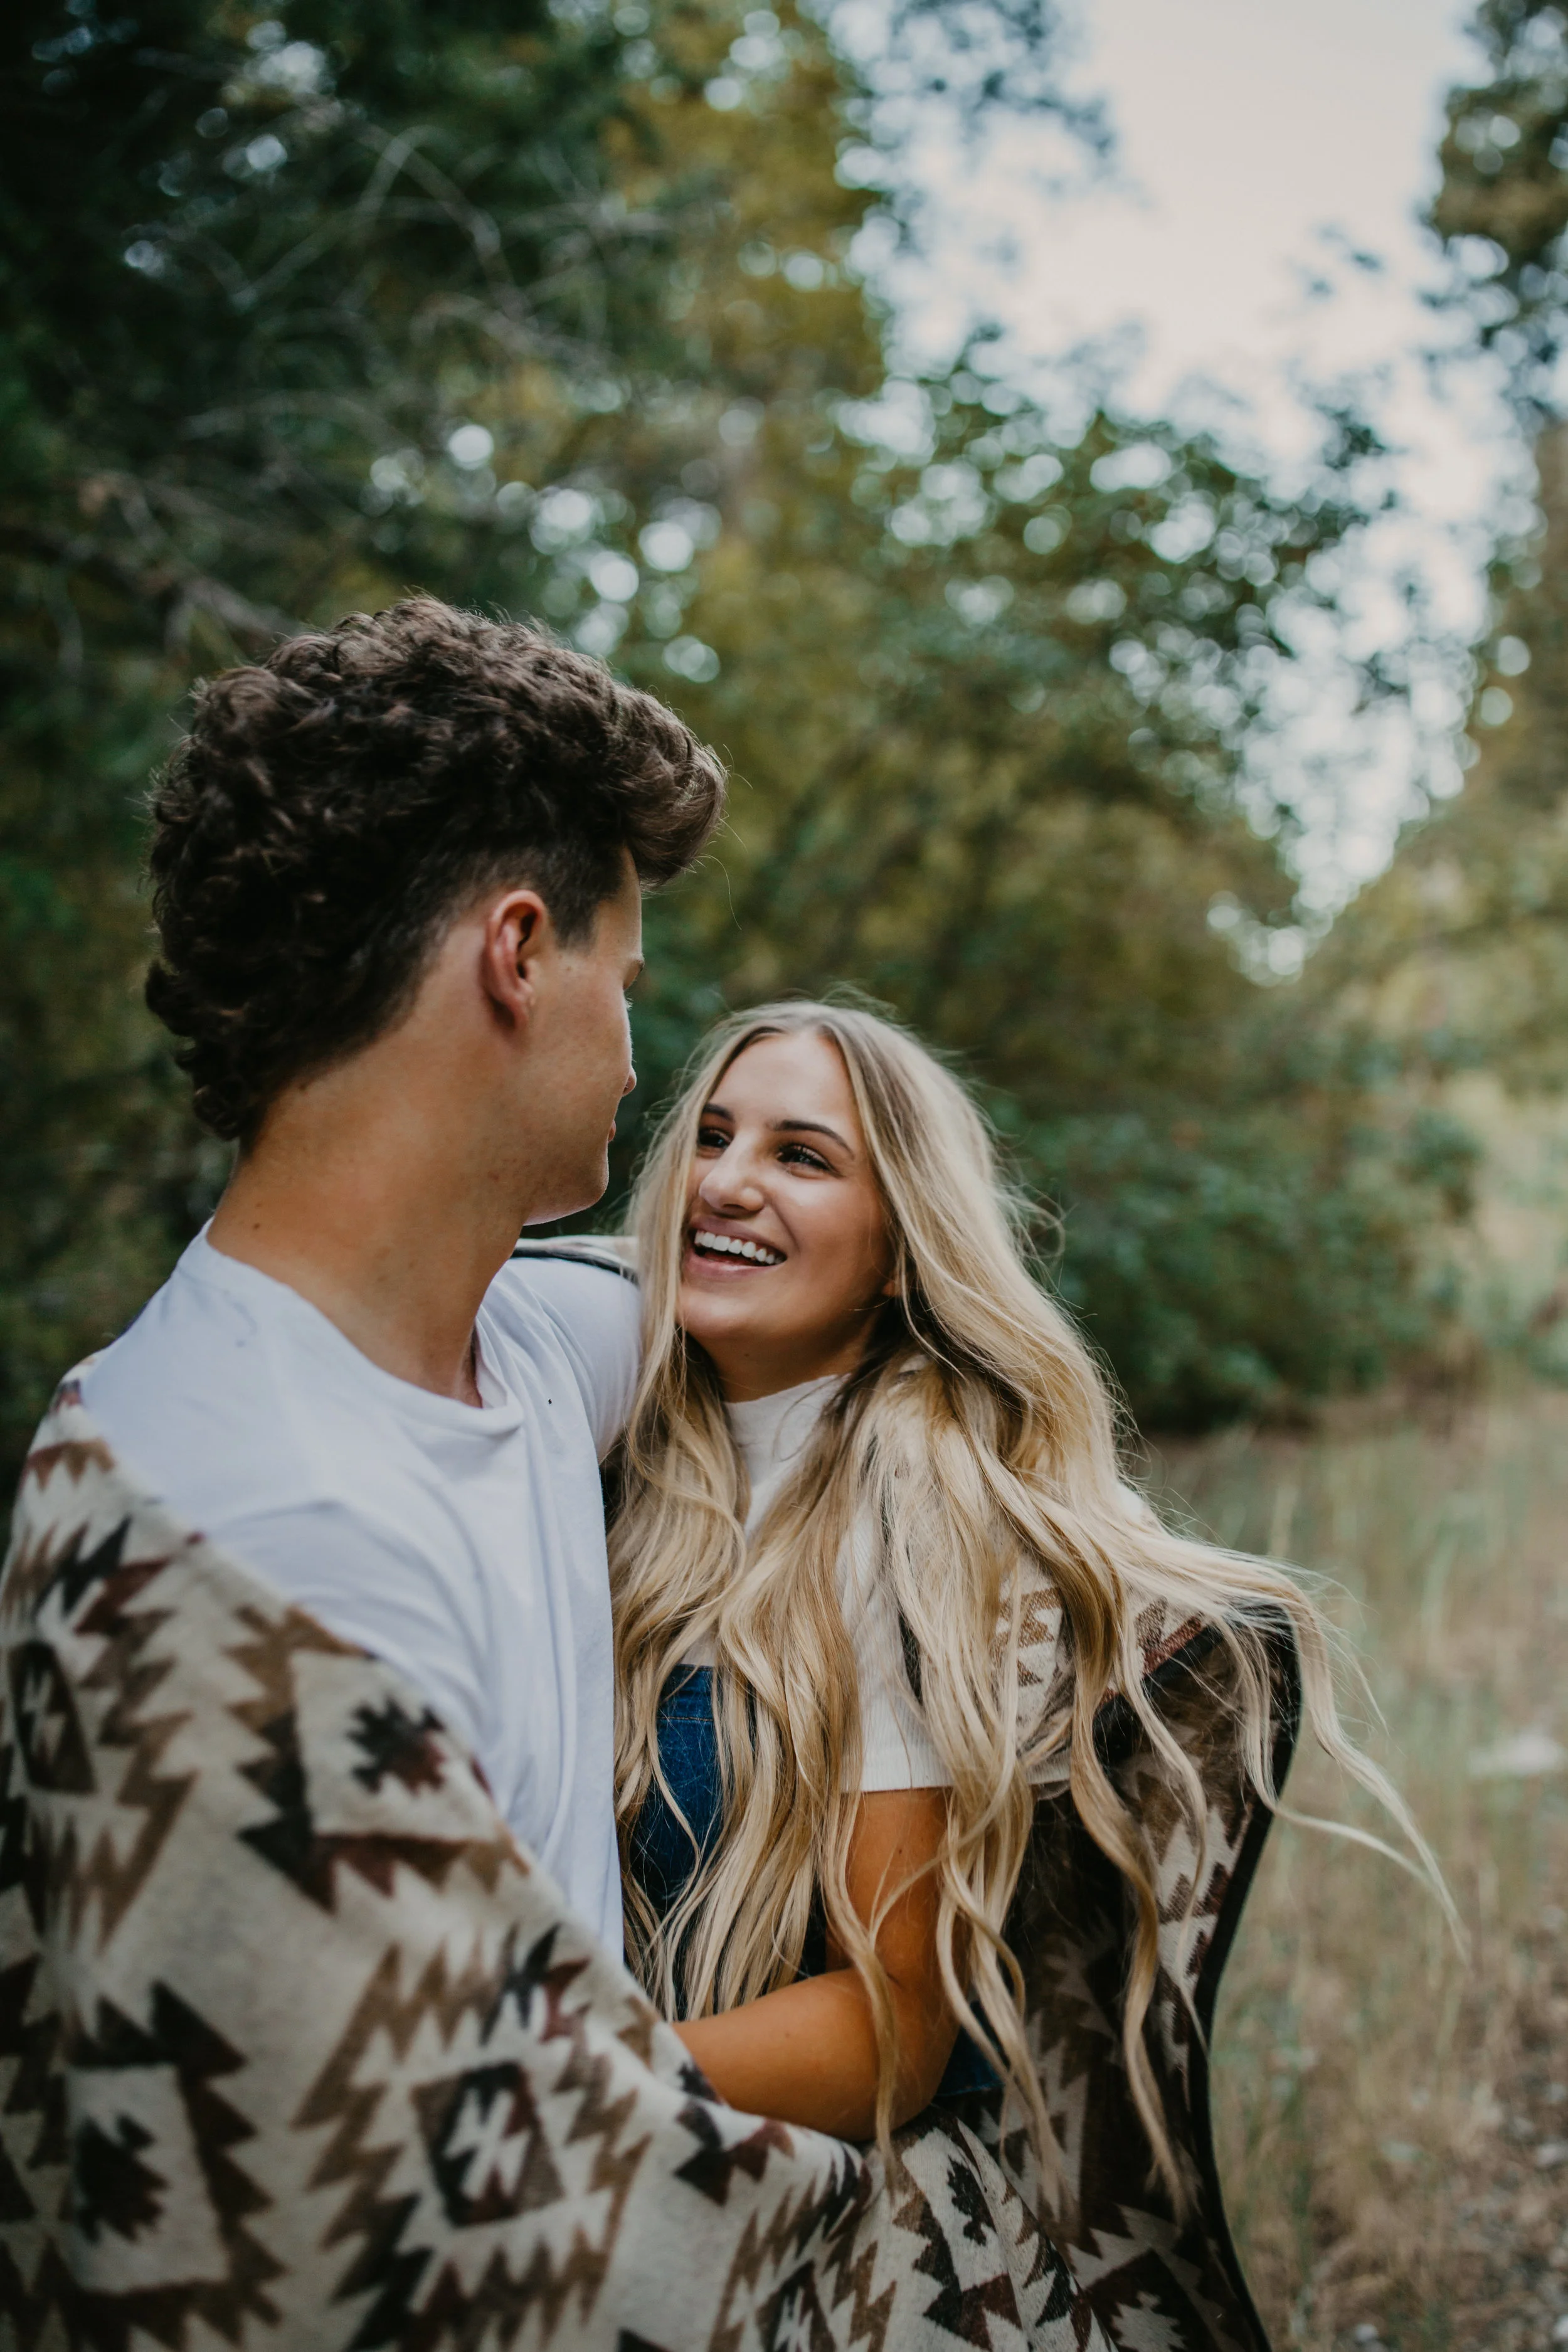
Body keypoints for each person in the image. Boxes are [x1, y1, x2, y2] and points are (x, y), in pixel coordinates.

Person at [607, 999, 1443, 2173]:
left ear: (901, 1251)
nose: (726, 1181)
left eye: (801, 1155)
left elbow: (893, 2028)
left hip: (769, 2198)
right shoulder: (608, 1444)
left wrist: (544, 2084)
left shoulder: (907, 1522)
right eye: (711, 1134)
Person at [77, 595, 724, 1954]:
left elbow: (787, 1296)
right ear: (520, 956)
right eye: (626, 983)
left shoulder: (527, 1340)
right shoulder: (279, 1532)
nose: (628, 1054)